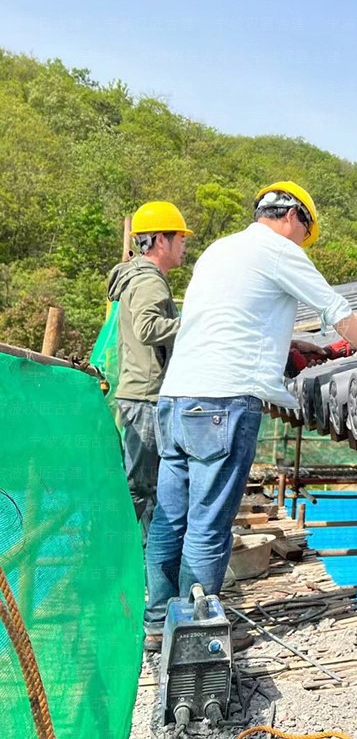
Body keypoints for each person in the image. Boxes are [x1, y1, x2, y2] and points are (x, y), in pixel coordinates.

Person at [143, 181, 357, 649]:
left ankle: (157, 625)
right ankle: (194, 634)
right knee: (208, 522)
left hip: (175, 401)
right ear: (292, 216)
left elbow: (227, 322)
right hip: (222, 403)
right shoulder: (277, 248)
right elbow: (335, 308)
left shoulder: (219, 251)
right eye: (304, 233)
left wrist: (292, 346)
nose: (300, 243)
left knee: (169, 520)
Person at [107, 201, 191, 543]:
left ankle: (139, 565)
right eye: (180, 239)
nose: (185, 246)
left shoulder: (139, 277)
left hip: (139, 396)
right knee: (140, 489)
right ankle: (126, 564)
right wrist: (196, 324)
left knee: (145, 488)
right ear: (160, 241)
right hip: (146, 398)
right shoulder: (149, 280)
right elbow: (147, 327)